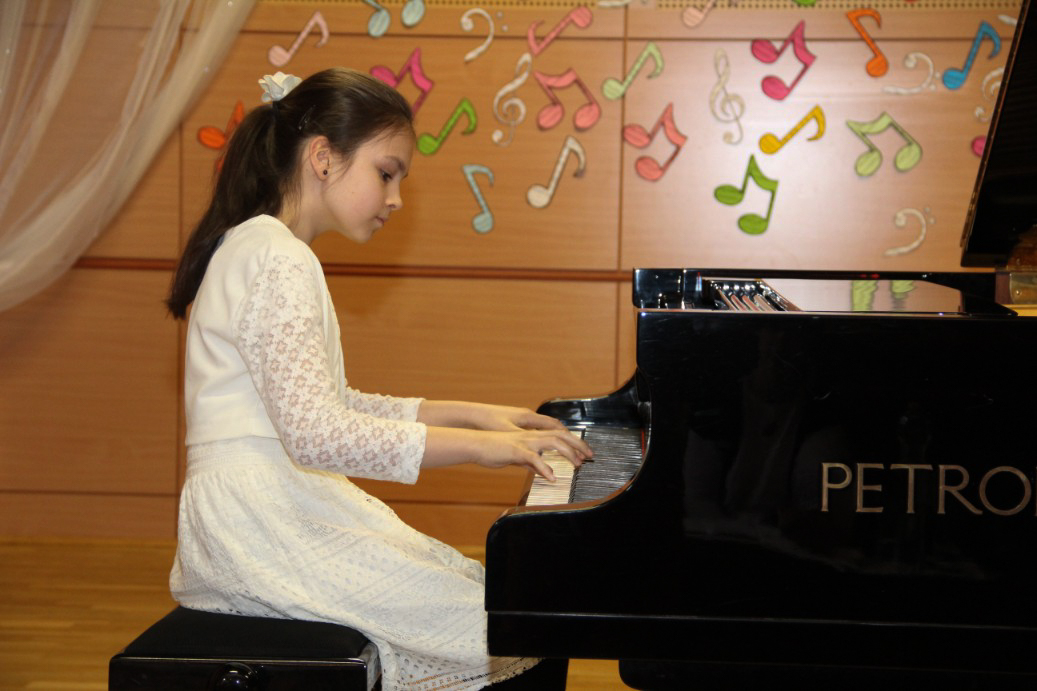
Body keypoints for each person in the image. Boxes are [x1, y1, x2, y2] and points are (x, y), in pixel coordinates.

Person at [164, 68, 591, 690]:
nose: (396, 199)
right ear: (323, 158)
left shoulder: (256, 246)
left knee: (489, 598)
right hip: (261, 527)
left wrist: (474, 415)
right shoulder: (278, 258)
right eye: (386, 173)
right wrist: (482, 449)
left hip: (254, 514)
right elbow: (317, 436)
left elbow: (331, 406)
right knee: (504, 624)